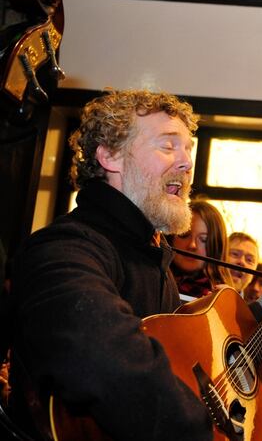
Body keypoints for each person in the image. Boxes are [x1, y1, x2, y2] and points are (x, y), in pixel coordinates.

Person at [7, 90, 211, 440]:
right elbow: (100, 358)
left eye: (188, 149)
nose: (186, 162)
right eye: (168, 146)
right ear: (110, 156)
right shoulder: (64, 248)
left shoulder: (150, 251)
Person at [169, 200, 232, 299]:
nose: (192, 245)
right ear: (170, 237)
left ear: (216, 248)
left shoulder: (221, 296)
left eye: (203, 239)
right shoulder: (152, 278)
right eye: (184, 235)